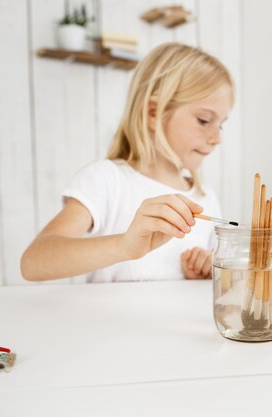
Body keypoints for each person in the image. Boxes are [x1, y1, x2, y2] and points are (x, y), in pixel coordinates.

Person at [20, 42, 234, 282]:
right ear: (153, 113)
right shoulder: (106, 181)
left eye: (221, 124)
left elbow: (216, 281)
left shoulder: (206, 199)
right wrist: (125, 245)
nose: (217, 138)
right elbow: (33, 262)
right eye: (205, 120)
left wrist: (205, 270)